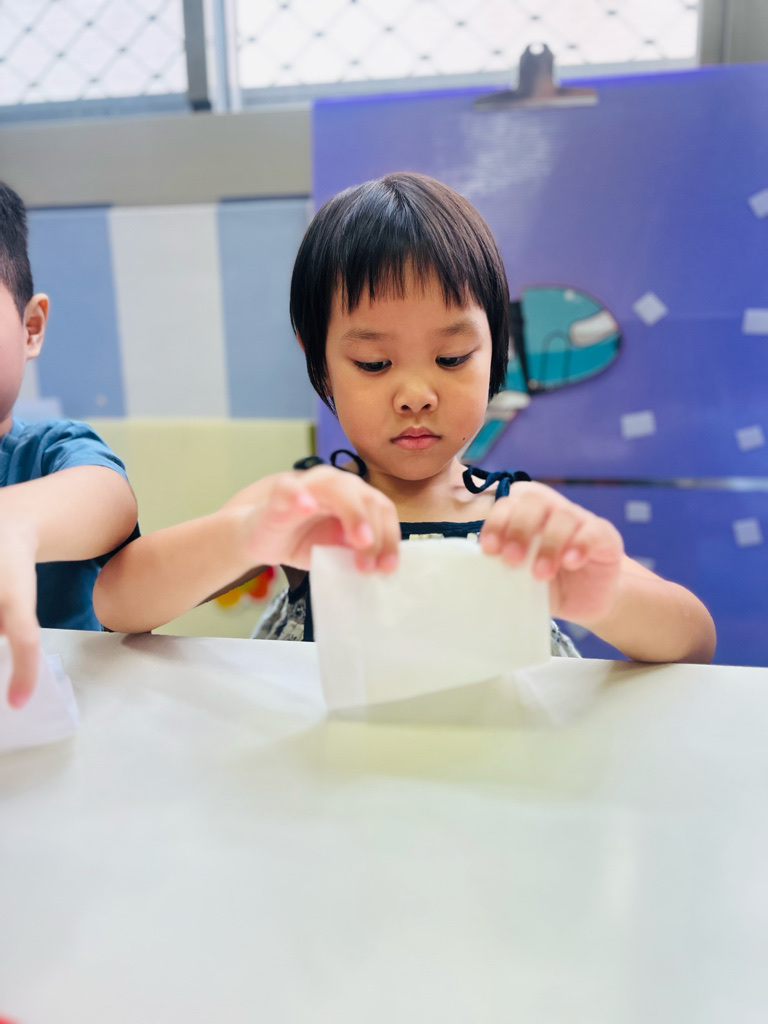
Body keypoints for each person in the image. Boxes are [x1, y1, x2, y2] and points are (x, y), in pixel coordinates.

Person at [94, 173, 715, 664]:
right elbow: (118, 603)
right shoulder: (301, 510)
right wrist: (247, 535)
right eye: (373, 363)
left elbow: (693, 642)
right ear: (320, 361)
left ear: (496, 351)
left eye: (452, 357)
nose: (416, 395)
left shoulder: (518, 516)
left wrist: (605, 596)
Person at [0, 181, 138, 707]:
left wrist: (13, 523)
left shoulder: (48, 453)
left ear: (30, 327)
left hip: (73, 727)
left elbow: (109, 498)